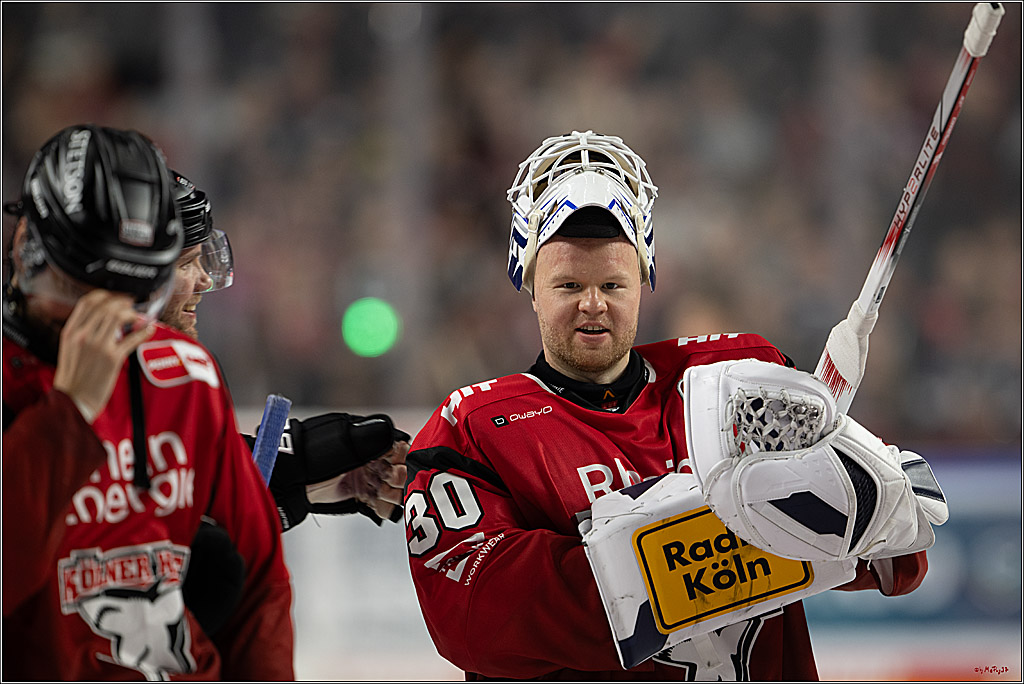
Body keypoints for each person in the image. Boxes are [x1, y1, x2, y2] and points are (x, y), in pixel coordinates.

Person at [403, 130, 947, 680]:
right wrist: (737, 535)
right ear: (529, 284)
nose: (593, 305)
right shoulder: (475, 430)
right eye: (569, 284)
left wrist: (871, 512)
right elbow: (480, 621)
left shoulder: (742, 379)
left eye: (613, 285)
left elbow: (901, 556)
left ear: (645, 278)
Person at [2, 124, 294, 680]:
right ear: (28, 252)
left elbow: (262, 586)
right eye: (94, 288)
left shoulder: (185, 374)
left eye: (141, 292)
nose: (119, 316)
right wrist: (70, 416)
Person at [164, 171, 409, 530]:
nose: (203, 280)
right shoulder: (85, 380)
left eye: (202, 260)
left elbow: (203, 494)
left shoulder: (185, 368)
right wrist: (301, 460)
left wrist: (320, 484)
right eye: (187, 263)